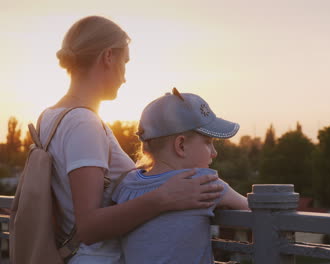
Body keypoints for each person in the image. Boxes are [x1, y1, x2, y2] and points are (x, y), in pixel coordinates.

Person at [44, 16, 224, 263]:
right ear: (108, 57)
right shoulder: (83, 123)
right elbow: (88, 227)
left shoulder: (50, 118)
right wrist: (164, 197)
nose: (125, 77)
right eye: (125, 62)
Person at [112, 88, 249, 264]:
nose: (214, 153)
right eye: (208, 143)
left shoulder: (128, 184)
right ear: (181, 145)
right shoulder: (202, 182)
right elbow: (254, 209)